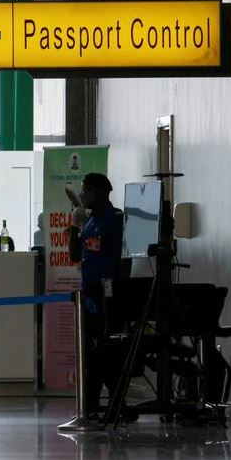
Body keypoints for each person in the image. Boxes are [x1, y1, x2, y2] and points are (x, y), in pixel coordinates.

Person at [67, 173, 126, 419]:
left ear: (100, 192)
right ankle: (88, 407)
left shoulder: (115, 220)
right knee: (88, 353)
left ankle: (115, 403)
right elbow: (73, 255)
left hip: (108, 293)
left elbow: (122, 258)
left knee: (106, 351)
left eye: (86, 190)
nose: (82, 195)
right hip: (89, 292)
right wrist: (74, 226)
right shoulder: (89, 222)